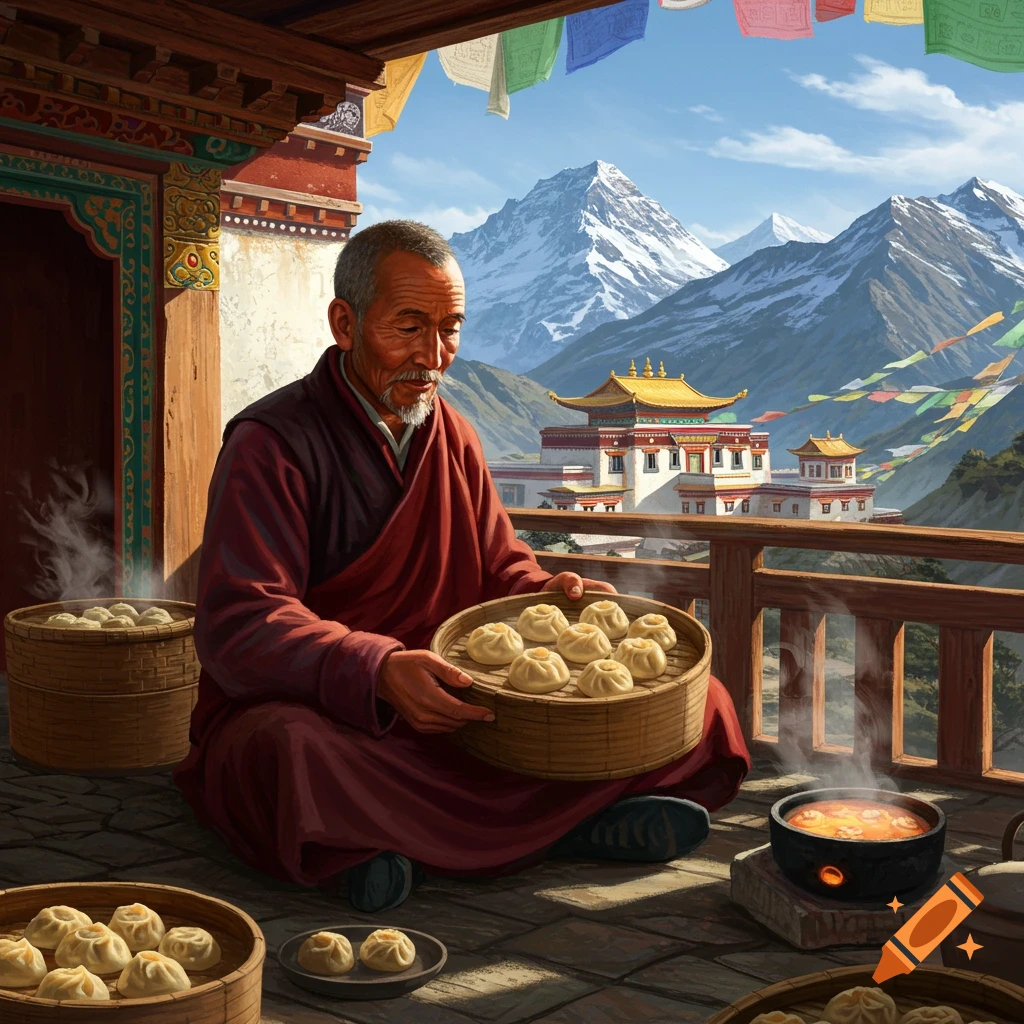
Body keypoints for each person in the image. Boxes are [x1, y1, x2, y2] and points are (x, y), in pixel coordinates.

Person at [174, 221, 750, 913]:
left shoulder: (451, 430)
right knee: (287, 753)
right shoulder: (270, 443)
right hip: (343, 710)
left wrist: (547, 591)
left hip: (456, 699)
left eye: (450, 328)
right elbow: (244, 621)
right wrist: (376, 669)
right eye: (409, 326)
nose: (433, 354)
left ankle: (405, 848)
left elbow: (497, 567)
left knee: (702, 703)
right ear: (345, 322)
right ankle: (567, 829)